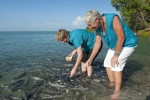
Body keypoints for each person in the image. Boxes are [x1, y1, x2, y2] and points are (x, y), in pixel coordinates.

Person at [84, 9, 138, 100]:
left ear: (97, 20)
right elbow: (97, 44)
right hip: (115, 45)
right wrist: (90, 59)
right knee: (107, 63)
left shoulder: (113, 18)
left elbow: (121, 37)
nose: (89, 27)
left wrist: (116, 55)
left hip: (128, 43)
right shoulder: (97, 28)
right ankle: (113, 82)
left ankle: (117, 91)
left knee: (116, 65)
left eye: (90, 24)